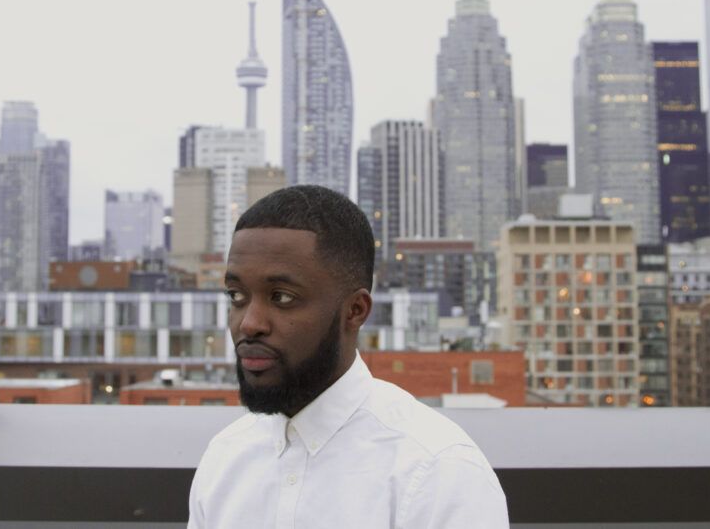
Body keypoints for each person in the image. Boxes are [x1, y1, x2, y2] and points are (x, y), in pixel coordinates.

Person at [187, 185, 508, 528]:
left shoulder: (437, 473)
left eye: (281, 297)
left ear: (355, 310)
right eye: (237, 295)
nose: (249, 323)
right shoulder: (225, 459)